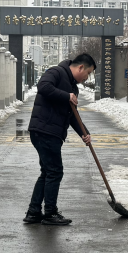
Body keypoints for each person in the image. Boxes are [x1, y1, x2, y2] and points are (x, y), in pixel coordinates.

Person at [25, 53, 96, 226]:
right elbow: (43, 86)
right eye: (88, 73)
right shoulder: (56, 72)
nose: (87, 78)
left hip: (50, 132)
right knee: (55, 171)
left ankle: (34, 212)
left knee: (48, 171)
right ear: (80, 67)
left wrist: (84, 133)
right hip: (45, 130)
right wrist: (66, 96)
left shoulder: (73, 87)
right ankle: (50, 213)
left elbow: (72, 115)